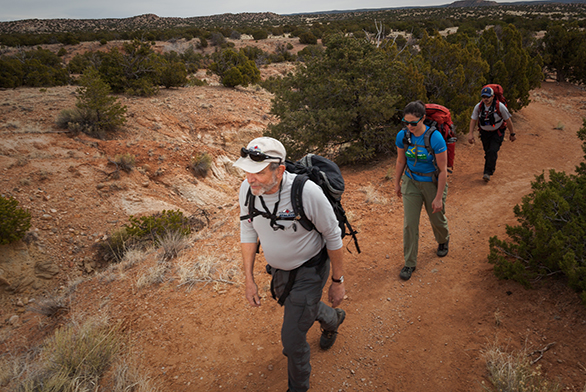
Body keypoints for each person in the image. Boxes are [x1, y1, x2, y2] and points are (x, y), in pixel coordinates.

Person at [234, 136, 346, 392]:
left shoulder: (306, 192)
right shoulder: (247, 189)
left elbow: (332, 236)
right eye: (247, 172)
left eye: (258, 173)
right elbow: (248, 230)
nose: (250, 179)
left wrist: (337, 282)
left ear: (280, 170)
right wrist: (249, 280)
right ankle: (333, 318)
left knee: (293, 340)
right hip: (280, 271)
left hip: (310, 269)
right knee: (302, 307)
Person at [394, 101, 450, 281]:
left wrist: (439, 197)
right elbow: (401, 161)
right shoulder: (402, 136)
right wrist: (397, 182)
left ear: (423, 118)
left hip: (432, 183)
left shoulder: (435, 138)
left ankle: (443, 239)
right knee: (410, 223)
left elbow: (443, 170)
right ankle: (410, 262)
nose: (409, 126)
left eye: (413, 123)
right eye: (406, 122)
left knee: (436, 218)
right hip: (411, 182)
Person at [467, 86, 516, 182]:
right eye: (484, 96)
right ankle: (490, 165)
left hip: (497, 132)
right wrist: (470, 134)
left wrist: (512, 133)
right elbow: (473, 120)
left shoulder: (500, 106)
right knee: (488, 151)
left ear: (493, 96)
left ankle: (487, 172)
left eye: (488, 96)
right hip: (484, 133)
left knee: (492, 151)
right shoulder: (479, 107)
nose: (486, 99)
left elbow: (508, 120)